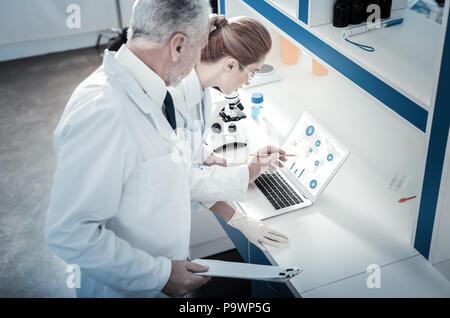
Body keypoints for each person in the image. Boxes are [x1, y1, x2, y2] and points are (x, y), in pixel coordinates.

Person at [169, 15, 289, 252]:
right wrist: (247, 172)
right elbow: (184, 180)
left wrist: (235, 165)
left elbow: (191, 154)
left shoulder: (200, 90)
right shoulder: (172, 96)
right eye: (252, 72)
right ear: (231, 64)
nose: (248, 81)